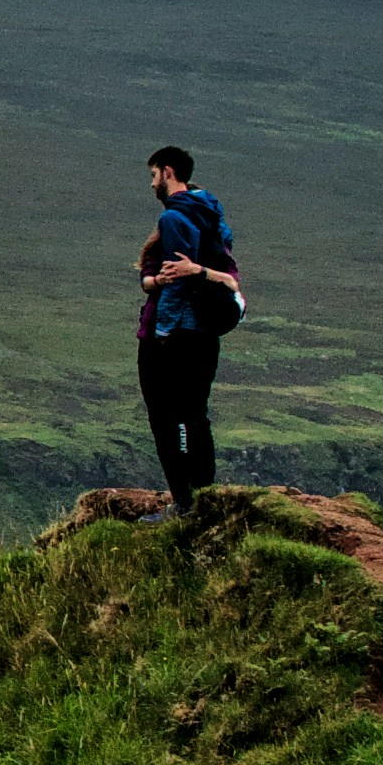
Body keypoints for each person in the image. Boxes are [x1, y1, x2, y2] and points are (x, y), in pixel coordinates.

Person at [134, 145, 240, 516]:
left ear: (167, 172)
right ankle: (204, 497)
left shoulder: (174, 220)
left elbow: (177, 284)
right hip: (203, 336)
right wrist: (154, 280)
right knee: (195, 414)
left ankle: (183, 502)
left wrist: (163, 333)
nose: (152, 184)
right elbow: (223, 273)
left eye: (153, 175)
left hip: (173, 335)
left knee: (168, 418)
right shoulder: (210, 216)